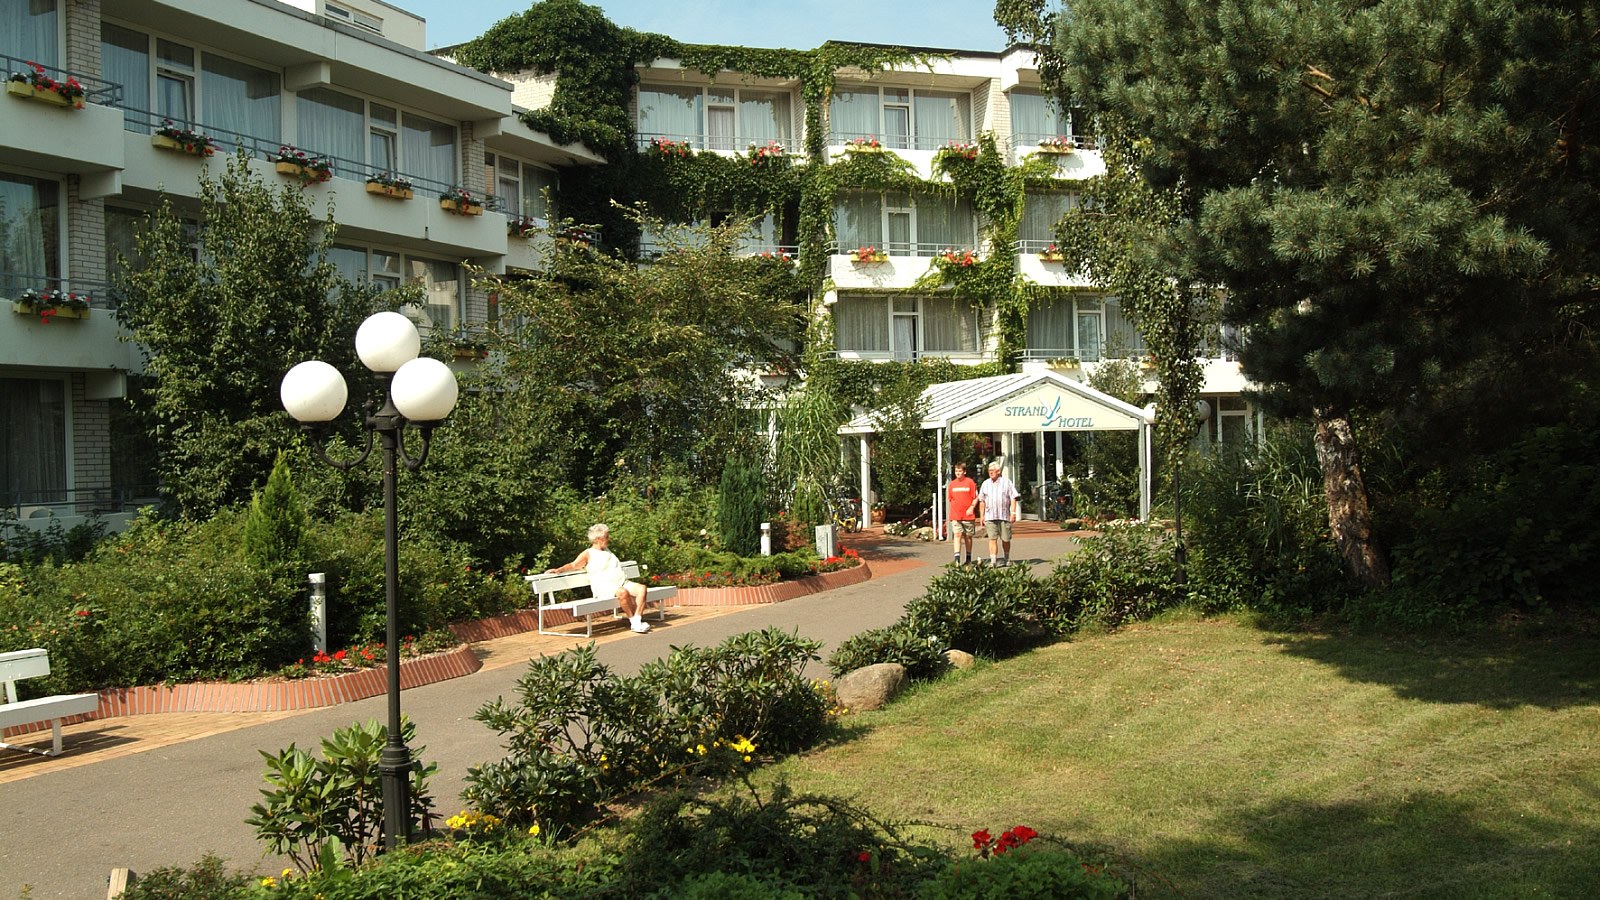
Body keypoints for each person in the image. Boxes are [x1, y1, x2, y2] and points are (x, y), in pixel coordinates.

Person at [546, 523, 651, 633]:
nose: (608, 539)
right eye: (606, 537)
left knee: (642, 589)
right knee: (623, 593)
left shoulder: (607, 550)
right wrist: (558, 570)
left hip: (621, 582)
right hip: (604, 587)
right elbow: (573, 565)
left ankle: (637, 620)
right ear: (598, 539)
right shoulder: (588, 553)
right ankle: (633, 622)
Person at [975, 461, 1021, 566]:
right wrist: (982, 516)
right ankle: (993, 561)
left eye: (992, 471)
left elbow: (1013, 497)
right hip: (990, 516)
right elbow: (982, 500)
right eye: (989, 471)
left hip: (1004, 516)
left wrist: (1013, 512)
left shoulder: (1007, 482)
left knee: (1005, 539)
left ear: (998, 471)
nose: (991, 473)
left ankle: (1007, 558)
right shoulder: (985, 484)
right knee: (992, 538)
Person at [946, 462, 979, 565]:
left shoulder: (970, 483)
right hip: (956, 515)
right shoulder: (952, 484)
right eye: (956, 471)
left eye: (960, 471)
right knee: (957, 534)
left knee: (968, 536)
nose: (958, 473)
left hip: (968, 516)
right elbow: (951, 499)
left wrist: (971, 508)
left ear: (964, 471)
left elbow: (975, 497)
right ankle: (957, 559)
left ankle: (968, 558)